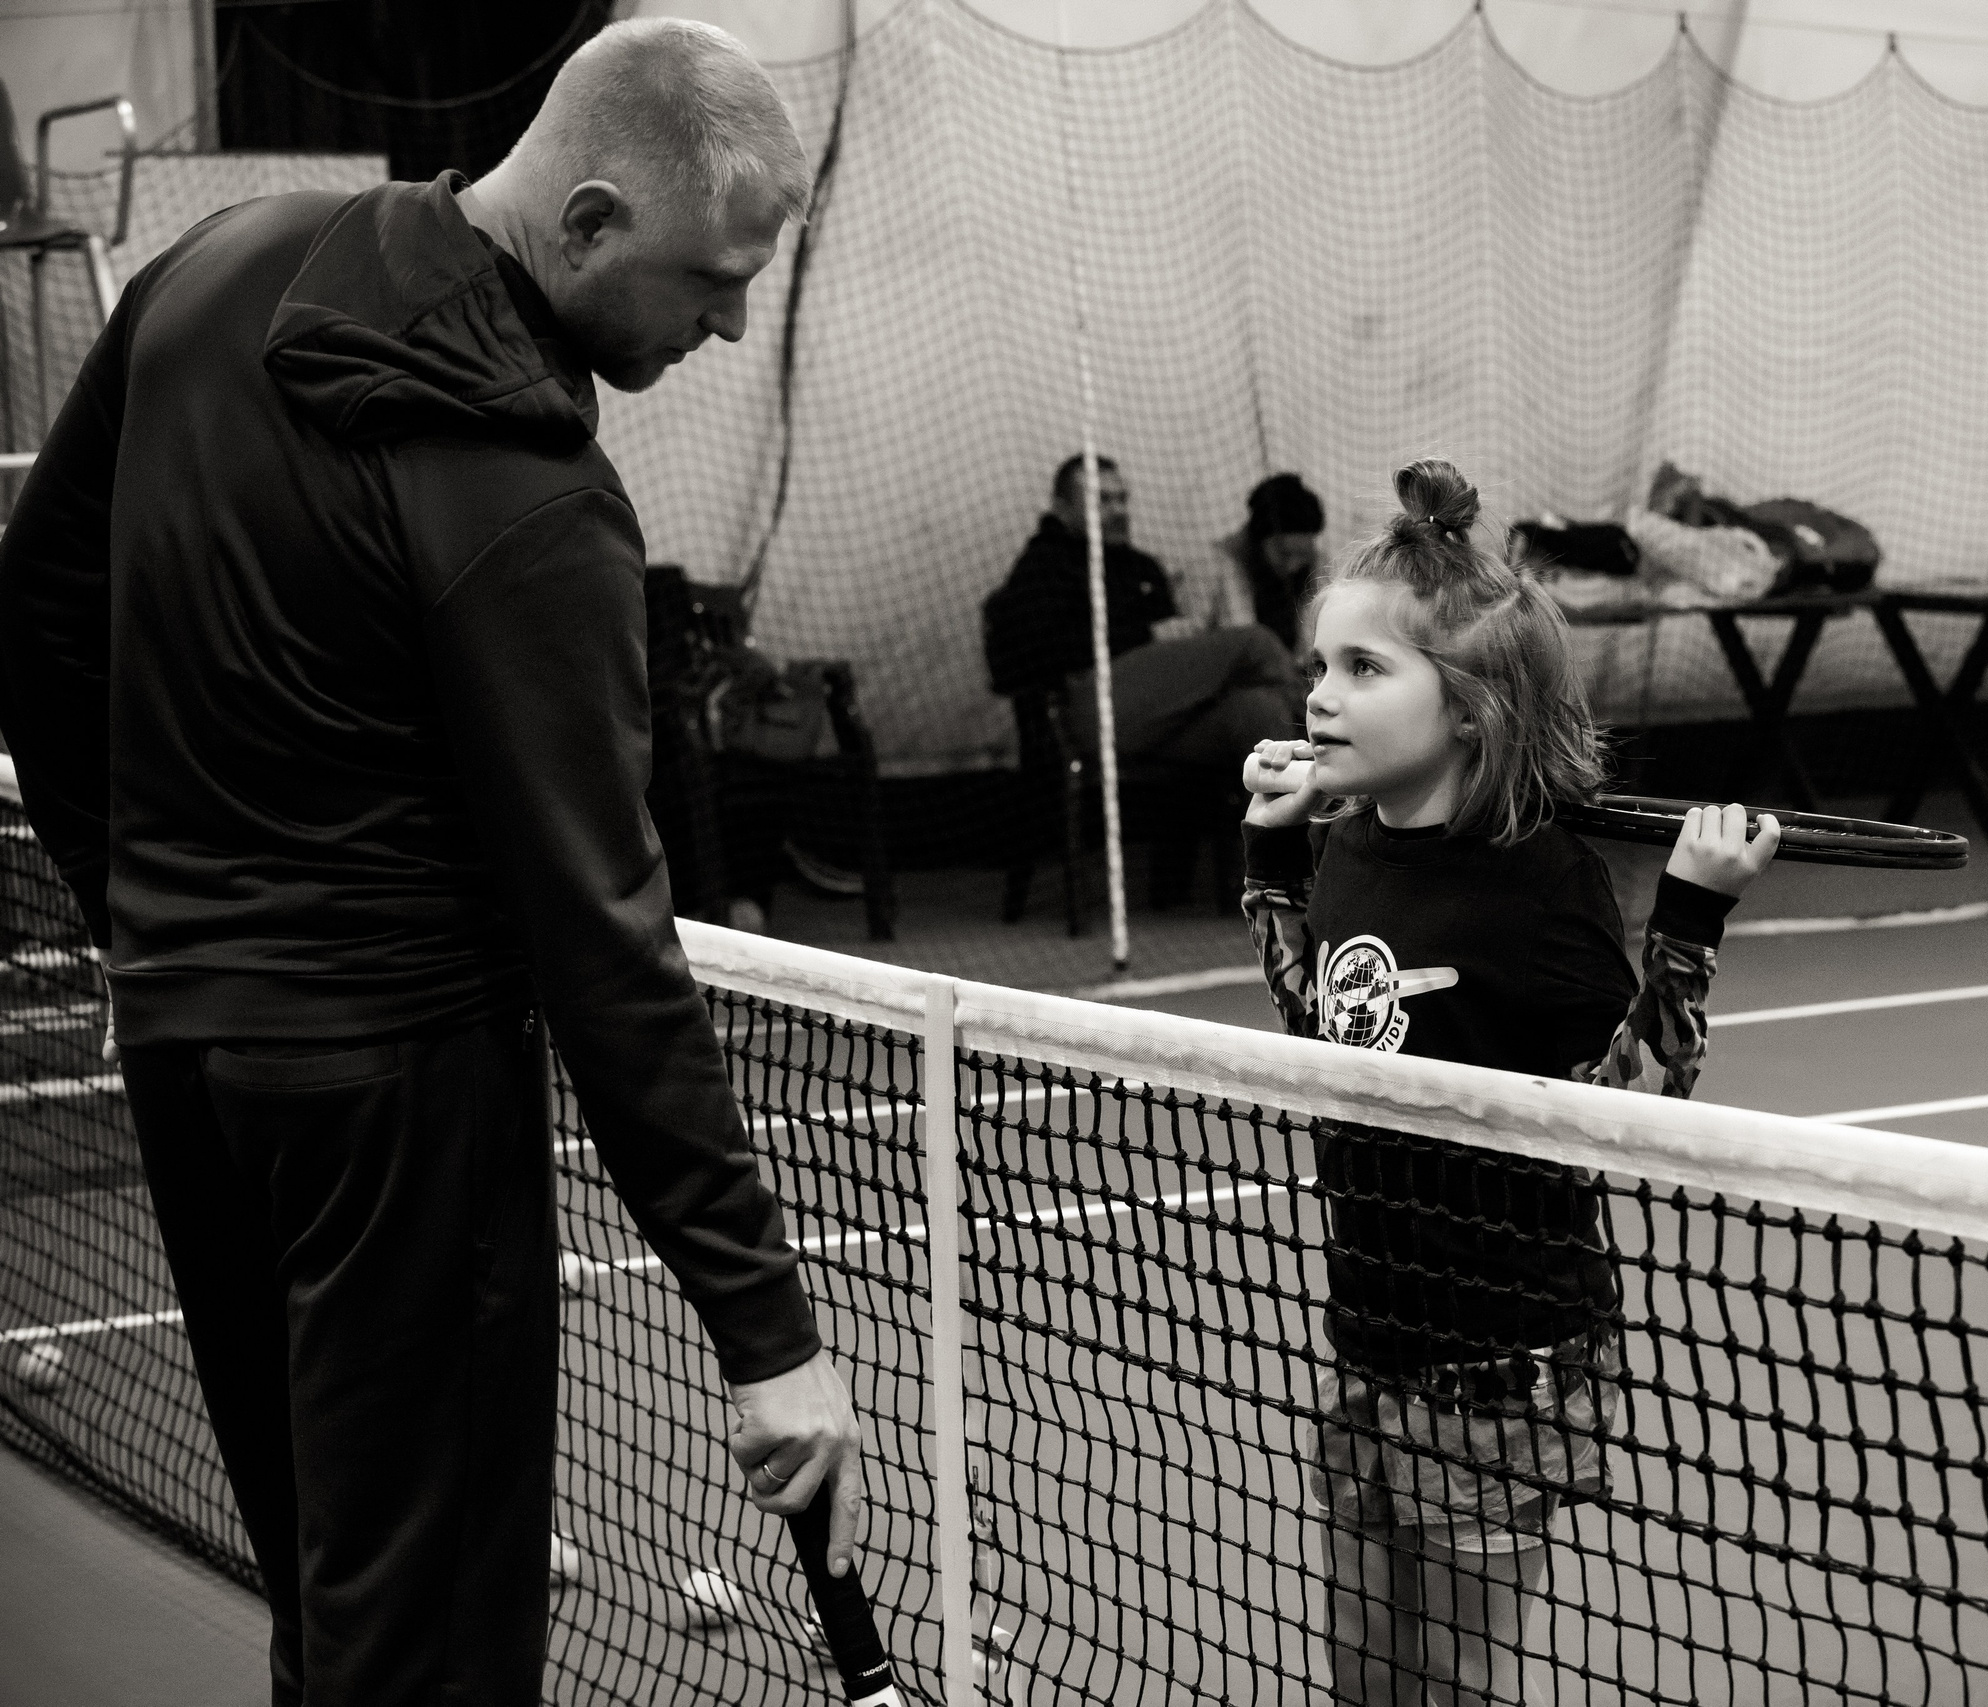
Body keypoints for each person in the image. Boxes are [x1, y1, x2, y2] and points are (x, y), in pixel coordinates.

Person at [0, 21, 867, 1704]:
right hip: (403, 1099)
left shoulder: (220, 265)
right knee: (434, 1650)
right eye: (715, 281)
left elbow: (31, 620)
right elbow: (605, 945)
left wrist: (149, 923)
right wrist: (767, 1334)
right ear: (596, 219)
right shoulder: (536, 508)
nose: (732, 324)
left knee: (337, 1603)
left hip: (197, 1064)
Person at [1238, 458, 1780, 1706]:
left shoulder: (1543, 893)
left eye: (1364, 671)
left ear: (1472, 709)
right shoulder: (1352, 845)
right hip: (1372, 1342)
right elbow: (1318, 1020)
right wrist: (1269, 856)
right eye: (1319, 665)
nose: (1320, 698)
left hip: (1501, 1367)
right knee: (1368, 1677)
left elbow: (1632, 1100)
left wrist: (1689, 917)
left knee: (1457, 1676)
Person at [983, 454, 1301, 769]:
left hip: (1156, 717)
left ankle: (1297, 817)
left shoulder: (1141, 568)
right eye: (1102, 500)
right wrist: (1145, 634)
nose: (1118, 510)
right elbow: (1027, 657)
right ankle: (1333, 731)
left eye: (1122, 499)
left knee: (1258, 710)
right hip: (1089, 710)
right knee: (1253, 643)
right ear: (1062, 508)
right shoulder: (1044, 566)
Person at [1213, 471, 1327, 650]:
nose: (1293, 566)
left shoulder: (1317, 566)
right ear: (1259, 542)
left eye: (1302, 555)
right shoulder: (1224, 565)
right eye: (1285, 554)